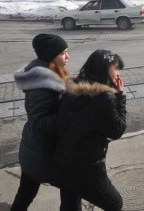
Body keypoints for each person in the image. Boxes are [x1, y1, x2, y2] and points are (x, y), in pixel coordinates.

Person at [11, 34, 81, 211]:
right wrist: (73, 118)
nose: (68, 57)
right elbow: (40, 121)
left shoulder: (49, 71)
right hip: (45, 151)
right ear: (51, 55)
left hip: (37, 150)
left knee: (26, 192)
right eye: (63, 53)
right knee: (72, 192)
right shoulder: (43, 82)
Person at [55, 49, 127, 211]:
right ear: (104, 69)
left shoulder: (72, 87)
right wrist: (120, 96)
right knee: (114, 203)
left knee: (70, 202)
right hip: (87, 168)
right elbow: (117, 130)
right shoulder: (104, 98)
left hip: (63, 160)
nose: (117, 73)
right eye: (115, 68)